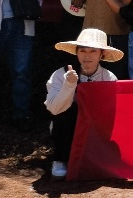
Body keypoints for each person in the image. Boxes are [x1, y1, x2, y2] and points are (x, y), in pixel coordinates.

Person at [44, 27, 121, 178]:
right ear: (76, 52)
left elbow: (114, 113)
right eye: (83, 50)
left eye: (93, 51)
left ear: (101, 54)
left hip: (96, 130)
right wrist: (69, 85)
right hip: (67, 128)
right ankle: (60, 159)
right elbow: (54, 109)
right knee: (68, 110)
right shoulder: (60, 74)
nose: (87, 56)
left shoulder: (109, 78)